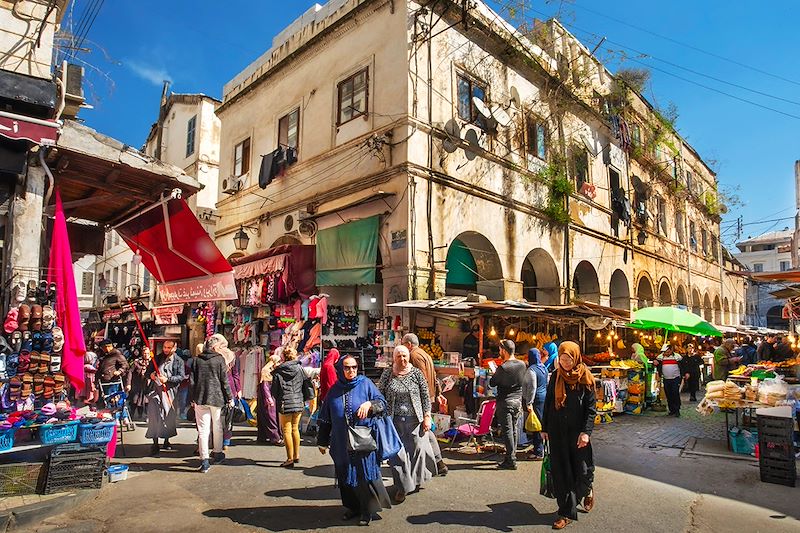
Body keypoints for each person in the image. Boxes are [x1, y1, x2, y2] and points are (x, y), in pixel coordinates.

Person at [317, 355, 392, 526]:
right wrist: (322, 440)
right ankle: (353, 508)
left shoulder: (366, 384)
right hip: (341, 442)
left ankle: (367, 511)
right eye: (347, 367)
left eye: (354, 367)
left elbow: (382, 404)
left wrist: (369, 405)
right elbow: (326, 418)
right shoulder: (334, 390)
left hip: (363, 441)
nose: (351, 371)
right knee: (345, 477)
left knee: (364, 477)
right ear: (340, 370)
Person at [542, 341, 596, 530]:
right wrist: (544, 428)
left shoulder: (585, 378)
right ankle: (565, 513)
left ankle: (587, 489)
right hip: (557, 432)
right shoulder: (556, 376)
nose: (565, 363)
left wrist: (586, 433)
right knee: (561, 473)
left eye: (568, 359)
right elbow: (548, 403)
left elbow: (591, 409)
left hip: (578, 434)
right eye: (562, 359)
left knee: (582, 472)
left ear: (576, 358)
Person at [378, 345, 436, 502]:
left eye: (404, 356)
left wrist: (427, 416)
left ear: (409, 357)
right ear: (394, 358)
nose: (402, 359)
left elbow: (425, 396)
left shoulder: (416, 374)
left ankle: (415, 481)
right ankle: (402, 487)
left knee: (416, 452)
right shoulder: (388, 374)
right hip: (393, 420)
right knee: (397, 455)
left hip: (414, 420)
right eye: (399, 356)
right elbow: (379, 394)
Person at [402, 333, 448, 476]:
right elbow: (434, 376)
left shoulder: (414, 356)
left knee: (422, 432)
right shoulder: (425, 354)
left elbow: (421, 378)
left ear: (409, 344)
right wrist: (438, 393)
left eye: (403, 344)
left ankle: (435, 463)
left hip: (421, 400)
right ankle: (436, 463)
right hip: (428, 397)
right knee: (425, 431)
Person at [191, 333, 234, 473]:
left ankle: (204, 460)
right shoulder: (219, 359)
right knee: (217, 427)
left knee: (203, 430)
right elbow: (224, 381)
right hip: (217, 398)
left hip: (200, 398)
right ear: (215, 346)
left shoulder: (197, 360)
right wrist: (230, 397)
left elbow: (192, 381)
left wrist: (193, 398)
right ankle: (217, 453)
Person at [489, 339, 528, 470]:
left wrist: (495, 372)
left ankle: (511, 460)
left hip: (505, 402)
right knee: (514, 429)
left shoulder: (504, 367)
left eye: (500, 350)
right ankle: (511, 456)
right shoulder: (522, 364)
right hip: (517, 401)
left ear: (504, 351)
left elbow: (492, 383)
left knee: (507, 431)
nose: (499, 352)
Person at [145, 340, 185, 455]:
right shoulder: (156, 359)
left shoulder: (179, 361)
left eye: (168, 347)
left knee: (168, 416)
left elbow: (181, 377)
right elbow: (147, 373)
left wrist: (168, 380)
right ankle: (155, 442)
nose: (166, 350)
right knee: (154, 416)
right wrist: (151, 375)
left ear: (174, 348)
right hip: (155, 392)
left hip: (170, 392)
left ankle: (167, 440)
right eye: (164, 347)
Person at [271, 347, 306, 468]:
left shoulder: (279, 371)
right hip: (298, 401)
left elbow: (274, 391)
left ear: (283, 357)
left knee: (286, 430)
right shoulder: (300, 369)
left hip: (285, 403)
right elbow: (306, 385)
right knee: (295, 429)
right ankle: (296, 455)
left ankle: (289, 458)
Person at [524, 347, 548, 460]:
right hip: (544, 398)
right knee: (540, 424)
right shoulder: (543, 367)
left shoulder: (531, 369)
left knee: (536, 425)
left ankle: (538, 452)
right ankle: (539, 448)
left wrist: (529, 402)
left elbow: (532, 387)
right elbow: (546, 382)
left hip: (536, 399)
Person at [256, 353, 283, 445]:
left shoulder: (272, 370)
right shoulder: (266, 371)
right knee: (271, 416)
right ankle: (275, 438)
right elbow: (265, 386)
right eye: (278, 361)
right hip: (267, 397)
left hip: (269, 396)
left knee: (265, 416)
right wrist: (269, 398)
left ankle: (263, 436)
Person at [656, 344, 683, 417]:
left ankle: (677, 410)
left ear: (671, 350)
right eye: (665, 352)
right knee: (668, 394)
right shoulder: (661, 357)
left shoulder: (677, 357)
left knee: (675, 393)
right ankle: (671, 410)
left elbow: (682, 367)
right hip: (666, 378)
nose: (666, 353)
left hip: (675, 378)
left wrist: (683, 376)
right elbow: (657, 366)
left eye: (668, 352)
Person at [128, 348, 151, 421]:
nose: (146, 355)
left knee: (147, 401)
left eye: (147, 353)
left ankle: (147, 416)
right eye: (144, 353)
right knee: (135, 400)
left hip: (147, 385)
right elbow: (130, 372)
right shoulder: (136, 362)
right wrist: (128, 384)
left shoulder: (152, 362)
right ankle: (132, 415)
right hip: (137, 384)